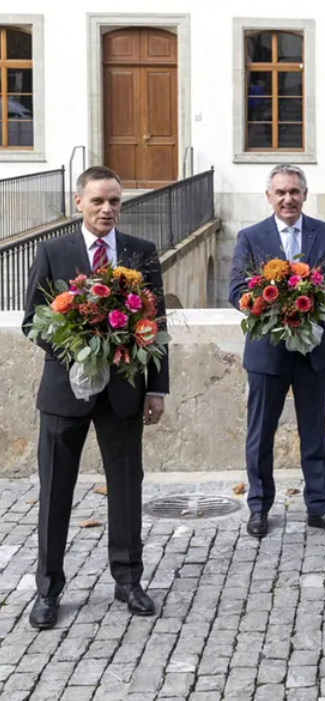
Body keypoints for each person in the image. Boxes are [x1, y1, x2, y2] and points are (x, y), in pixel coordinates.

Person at [22, 165, 169, 629]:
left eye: (114, 202)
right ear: (79, 202)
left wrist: (157, 388)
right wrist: (78, 348)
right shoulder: (53, 252)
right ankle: (48, 590)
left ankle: (128, 580)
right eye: (98, 201)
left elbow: (156, 325)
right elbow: (32, 321)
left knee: (126, 487)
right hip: (64, 392)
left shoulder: (142, 253)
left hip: (124, 392)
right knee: (55, 491)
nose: (107, 209)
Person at [228, 164, 325, 539]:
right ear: (269, 197)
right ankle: (258, 507)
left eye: (294, 192)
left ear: (304, 195)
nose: (288, 199)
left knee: (315, 435)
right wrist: (269, 302)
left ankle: (320, 507)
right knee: (260, 435)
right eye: (281, 192)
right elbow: (236, 291)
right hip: (267, 354)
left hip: (314, 353)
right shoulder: (251, 237)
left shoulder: (324, 233)